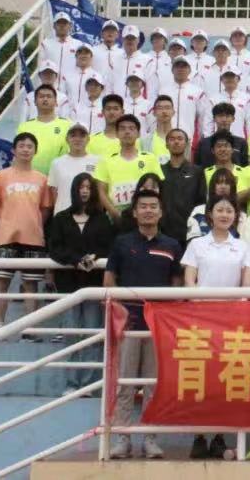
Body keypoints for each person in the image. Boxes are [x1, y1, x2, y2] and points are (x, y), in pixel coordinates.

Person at [104, 189, 183, 459]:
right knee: (125, 384)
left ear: (161, 212)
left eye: (153, 206)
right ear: (135, 212)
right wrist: (120, 312)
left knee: (153, 385)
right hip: (129, 325)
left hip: (158, 327)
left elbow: (177, 285)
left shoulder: (172, 245)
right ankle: (122, 439)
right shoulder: (122, 243)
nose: (148, 210)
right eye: (143, 206)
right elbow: (109, 280)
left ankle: (150, 439)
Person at [181, 195, 250, 459]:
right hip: (201, 320)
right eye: (219, 210)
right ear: (210, 214)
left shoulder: (242, 247)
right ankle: (199, 436)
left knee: (226, 379)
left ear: (236, 216)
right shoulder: (197, 244)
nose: (224, 215)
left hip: (231, 323)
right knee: (200, 378)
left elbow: (245, 283)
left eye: (229, 211)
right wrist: (197, 306)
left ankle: (220, 435)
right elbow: (189, 279)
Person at [0, 132, 53, 331]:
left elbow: (45, 208)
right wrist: (3, 225)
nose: (26, 149)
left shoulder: (42, 179)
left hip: (33, 239)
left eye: (30, 146)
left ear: (35, 151)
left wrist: (35, 224)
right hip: (6, 238)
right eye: (22, 146)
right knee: (2, 283)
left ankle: (29, 329)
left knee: (31, 285)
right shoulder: (1, 176)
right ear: (14, 150)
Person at [94, 114, 164, 219]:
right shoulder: (105, 161)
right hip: (116, 217)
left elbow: (160, 188)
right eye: (122, 129)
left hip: (145, 217)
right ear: (117, 133)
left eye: (131, 128)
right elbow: (101, 191)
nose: (127, 132)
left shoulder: (150, 158)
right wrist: (115, 213)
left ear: (138, 134)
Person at [160, 128, 205, 247]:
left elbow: (201, 202)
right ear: (166, 145)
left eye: (180, 139)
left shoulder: (197, 171)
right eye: (172, 139)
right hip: (164, 233)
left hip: (189, 232)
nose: (176, 142)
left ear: (186, 144)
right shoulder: (160, 171)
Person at [17, 85, 71, 175]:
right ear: (35, 102)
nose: (45, 99)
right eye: (41, 96)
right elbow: (18, 155)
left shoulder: (67, 125)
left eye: (49, 96)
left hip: (58, 176)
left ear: (56, 102)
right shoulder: (24, 127)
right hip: (29, 177)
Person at [47, 123, 99, 215]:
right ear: (67, 139)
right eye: (73, 136)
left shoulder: (97, 161)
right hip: (63, 216)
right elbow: (54, 191)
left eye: (82, 136)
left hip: (89, 216)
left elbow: (99, 191)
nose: (77, 139)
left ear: (88, 139)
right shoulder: (57, 163)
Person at [186, 167, 239, 242]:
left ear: (232, 187)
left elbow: (243, 244)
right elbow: (192, 243)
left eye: (227, 183)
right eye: (219, 183)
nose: (223, 186)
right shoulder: (198, 211)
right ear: (213, 186)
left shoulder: (241, 216)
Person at [196, 102, 250, 168]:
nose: (224, 120)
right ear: (214, 118)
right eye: (220, 116)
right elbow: (198, 166)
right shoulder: (204, 143)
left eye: (227, 116)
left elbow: (245, 167)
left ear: (233, 119)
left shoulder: (241, 142)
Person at [85, 94, 126, 158]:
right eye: (108, 109)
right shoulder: (91, 140)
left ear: (122, 112)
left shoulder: (130, 141)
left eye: (116, 109)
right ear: (102, 112)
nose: (112, 112)